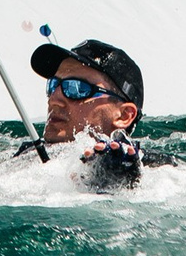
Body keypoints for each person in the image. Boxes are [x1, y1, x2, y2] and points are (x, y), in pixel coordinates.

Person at [26, 37, 163, 183]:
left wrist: (119, 186)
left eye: (77, 88)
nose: (54, 100)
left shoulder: (156, 168)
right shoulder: (25, 155)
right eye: (53, 85)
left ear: (124, 116)